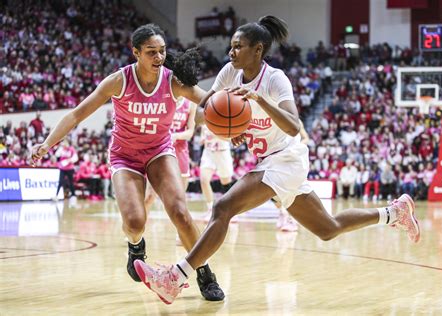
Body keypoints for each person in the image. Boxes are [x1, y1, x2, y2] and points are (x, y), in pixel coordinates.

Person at [133, 16, 420, 304]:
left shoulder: (274, 78)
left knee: (223, 206)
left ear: (257, 50)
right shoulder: (228, 74)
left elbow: (294, 126)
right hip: (268, 162)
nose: (231, 52)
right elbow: (201, 113)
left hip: (286, 159)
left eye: (238, 46)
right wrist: (228, 127)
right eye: (231, 47)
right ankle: (395, 213)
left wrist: (259, 100)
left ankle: (175, 277)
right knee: (327, 228)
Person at [30, 23, 224, 301]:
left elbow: (209, 101)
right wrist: (46, 144)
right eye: (151, 52)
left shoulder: (173, 81)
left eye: (162, 51)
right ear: (136, 53)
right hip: (125, 156)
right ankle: (135, 245)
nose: (159, 57)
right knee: (134, 221)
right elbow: (75, 115)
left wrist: (228, 112)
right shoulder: (119, 81)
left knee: (180, 213)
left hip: (159, 151)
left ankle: (205, 272)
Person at [144, 96, 197, 211]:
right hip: (159, 149)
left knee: (180, 202)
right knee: (149, 197)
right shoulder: (162, 98)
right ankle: (139, 228)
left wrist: (175, 136)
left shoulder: (190, 104)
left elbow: (190, 132)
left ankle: (179, 228)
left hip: (180, 150)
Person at [199, 125, 234, 220]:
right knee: (204, 180)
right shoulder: (205, 122)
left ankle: (231, 211)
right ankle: (211, 210)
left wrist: (216, 135)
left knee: (226, 184)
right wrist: (203, 139)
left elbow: (230, 139)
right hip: (208, 152)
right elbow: (202, 139)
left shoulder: (224, 119)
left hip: (222, 152)